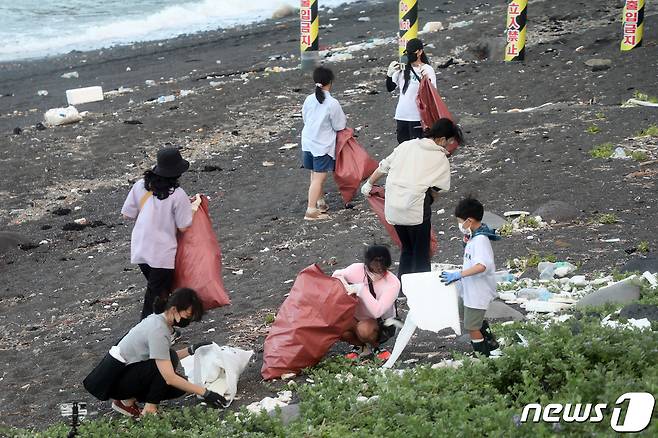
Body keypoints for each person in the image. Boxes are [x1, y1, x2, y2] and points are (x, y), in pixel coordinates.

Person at [83, 288, 228, 417]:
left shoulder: (157, 319)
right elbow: (168, 375)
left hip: (119, 376)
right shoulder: (158, 330)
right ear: (174, 309)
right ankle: (149, 408)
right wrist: (205, 393)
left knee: (175, 375)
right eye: (188, 316)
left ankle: (127, 401)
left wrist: (192, 349)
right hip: (112, 382)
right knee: (171, 376)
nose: (188, 321)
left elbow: (163, 356)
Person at [361, 119, 462, 279]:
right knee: (421, 252)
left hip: (393, 207)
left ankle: (403, 289)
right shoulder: (439, 157)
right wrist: (429, 199)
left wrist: (369, 184)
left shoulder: (406, 145)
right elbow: (438, 188)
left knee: (407, 248)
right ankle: (420, 291)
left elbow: (383, 166)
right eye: (448, 142)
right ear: (442, 139)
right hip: (415, 210)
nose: (447, 146)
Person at [121, 147, 194, 320]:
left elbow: (127, 214)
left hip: (140, 246)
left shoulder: (140, 185)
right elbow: (184, 227)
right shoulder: (178, 195)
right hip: (162, 251)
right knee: (156, 294)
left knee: (158, 290)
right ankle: (144, 330)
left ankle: (165, 325)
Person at [440, 198, 501, 357]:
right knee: (468, 316)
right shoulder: (475, 236)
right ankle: (493, 347)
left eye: (460, 222)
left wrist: (458, 275)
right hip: (469, 289)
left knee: (472, 326)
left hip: (478, 291)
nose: (460, 225)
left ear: (469, 220)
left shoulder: (480, 240)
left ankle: (481, 355)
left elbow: (482, 266)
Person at [332, 245, 401, 360]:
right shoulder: (356, 269)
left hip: (382, 323)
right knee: (337, 327)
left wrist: (361, 289)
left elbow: (377, 312)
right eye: (375, 261)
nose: (379, 266)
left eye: (382, 261)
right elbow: (337, 274)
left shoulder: (393, 283)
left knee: (364, 330)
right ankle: (361, 347)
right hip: (357, 317)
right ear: (368, 262)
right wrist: (345, 284)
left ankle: (376, 347)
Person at [301, 66, 347, 220]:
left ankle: (320, 202)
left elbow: (305, 118)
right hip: (322, 145)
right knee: (319, 178)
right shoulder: (332, 103)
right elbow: (339, 125)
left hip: (308, 141)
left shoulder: (308, 99)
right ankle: (311, 210)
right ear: (330, 82)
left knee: (314, 173)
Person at [386, 38, 437, 144]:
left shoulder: (427, 69)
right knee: (403, 149)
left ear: (420, 52)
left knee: (418, 148)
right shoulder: (403, 68)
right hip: (402, 115)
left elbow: (433, 94)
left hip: (417, 116)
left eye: (412, 51)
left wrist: (425, 79)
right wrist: (389, 74)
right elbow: (390, 88)